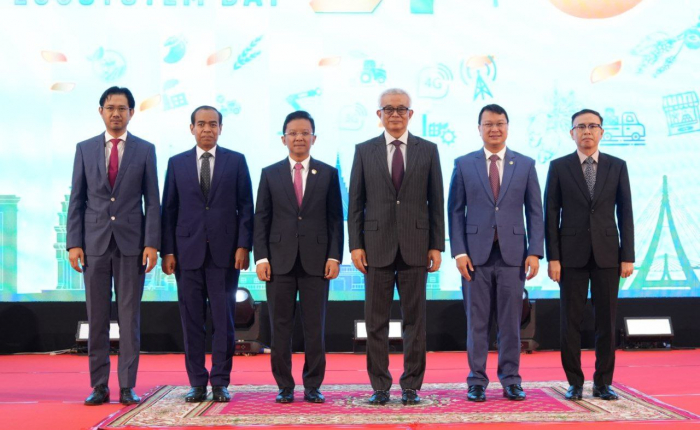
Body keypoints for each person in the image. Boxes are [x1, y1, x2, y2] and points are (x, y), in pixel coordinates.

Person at [348, 88, 444, 406]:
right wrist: (356, 245)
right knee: (375, 322)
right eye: (388, 109)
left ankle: (411, 385)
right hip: (376, 248)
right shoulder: (364, 151)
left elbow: (436, 201)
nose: (395, 114)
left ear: (410, 114)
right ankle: (380, 385)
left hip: (416, 247)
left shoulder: (428, 150)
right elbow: (356, 203)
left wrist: (436, 245)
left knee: (415, 321)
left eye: (401, 109)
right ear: (379, 114)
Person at [67, 86, 160, 406]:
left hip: (132, 246)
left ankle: (127, 386)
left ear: (132, 112)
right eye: (110, 108)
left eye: (122, 108)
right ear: (101, 111)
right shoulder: (84, 149)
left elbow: (153, 201)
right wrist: (73, 243)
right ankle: (99, 386)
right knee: (97, 318)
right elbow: (77, 199)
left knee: (129, 318)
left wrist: (152, 243)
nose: (116, 113)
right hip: (93, 244)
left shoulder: (145, 150)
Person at [447, 104, 544, 402]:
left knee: (510, 322)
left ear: (507, 127)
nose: (494, 129)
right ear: (479, 129)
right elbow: (455, 211)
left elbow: (535, 212)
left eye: (499, 123)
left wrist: (535, 251)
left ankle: (511, 380)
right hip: (474, 257)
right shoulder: (464, 164)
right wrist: (459, 252)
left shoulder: (525, 164)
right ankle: (476, 381)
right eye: (488, 124)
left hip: (513, 256)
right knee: (476, 323)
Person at [161, 106, 254, 403]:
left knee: (223, 321)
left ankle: (220, 382)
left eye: (213, 124)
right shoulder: (176, 163)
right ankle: (197, 383)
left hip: (225, 255)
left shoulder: (236, 161)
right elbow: (168, 210)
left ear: (220, 128)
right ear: (192, 128)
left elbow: (246, 207)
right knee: (191, 321)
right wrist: (168, 251)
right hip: (186, 254)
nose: (207, 129)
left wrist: (243, 246)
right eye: (201, 124)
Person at [253, 111, 344, 404]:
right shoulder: (270, 173)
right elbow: (261, 218)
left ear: (314, 138)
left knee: (315, 327)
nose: (299, 138)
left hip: (317, 262)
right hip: (278, 262)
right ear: (283, 139)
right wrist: (261, 258)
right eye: (293, 133)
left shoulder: (328, 173)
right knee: (280, 327)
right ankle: (285, 386)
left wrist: (334, 257)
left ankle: (313, 385)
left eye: (305, 133)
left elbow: (335, 219)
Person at [544, 109, 634, 401]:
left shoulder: (617, 166)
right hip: (571, 256)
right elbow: (550, 214)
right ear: (572, 133)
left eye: (592, 126)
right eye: (580, 127)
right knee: (570, 323)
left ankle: (603, 383)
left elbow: (626, 212)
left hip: (608, 255)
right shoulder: (559, 167)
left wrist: (627, 255)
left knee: (606, 323)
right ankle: (574, 382)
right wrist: (553, 257)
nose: (586, 131)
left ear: (601, 132)